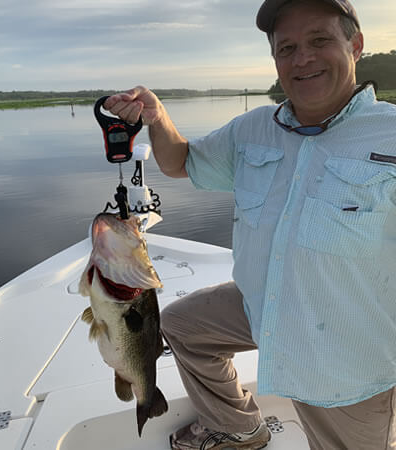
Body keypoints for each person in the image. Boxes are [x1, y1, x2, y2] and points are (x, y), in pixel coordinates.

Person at [105, 0, 396, 449]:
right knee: (182, 325)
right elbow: (182, 162)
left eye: (320, 41)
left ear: (355, 45)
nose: (303, 59)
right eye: (287, 48)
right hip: (262, 306)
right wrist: (157, 116)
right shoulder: (252, 129)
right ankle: (240, 428)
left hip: (345, 353)